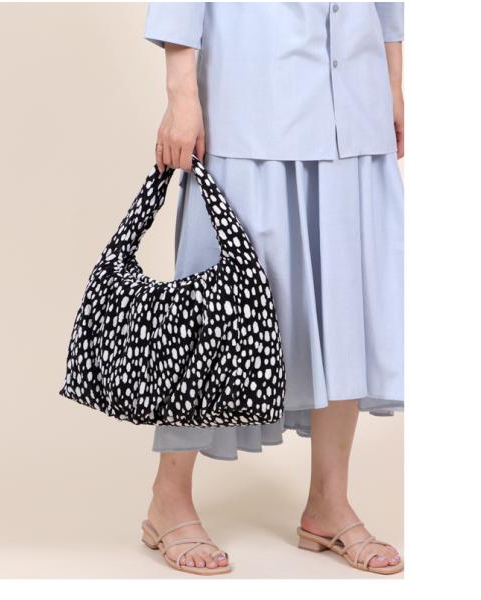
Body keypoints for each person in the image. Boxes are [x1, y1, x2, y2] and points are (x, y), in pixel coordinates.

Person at [141, 2, 404, 576]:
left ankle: (328, 505)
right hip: (251, 94)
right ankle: (169, 498)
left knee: (343, 305)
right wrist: (181, 94)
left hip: (354, 98)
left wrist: (392, 79)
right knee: (215, 314)